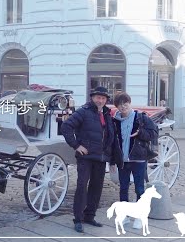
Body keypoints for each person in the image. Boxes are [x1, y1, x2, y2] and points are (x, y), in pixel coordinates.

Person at [61, 86, 115, 233]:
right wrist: (76, 145)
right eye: (98, 97)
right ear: (92, 97)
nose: (101, 100)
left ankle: (89, 216)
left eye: (103, 98)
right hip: (86, 156)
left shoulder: (107, 114)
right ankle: (78, 219)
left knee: (96, 188)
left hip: (101, 157)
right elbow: (66, 126)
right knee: (81, 187)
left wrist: (112, 158)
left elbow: (111, 137)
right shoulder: (83, 112)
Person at [109, 92, 158, 229]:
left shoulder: (140, 118)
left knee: (139, 188)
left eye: (126, 103)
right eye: (120, 104)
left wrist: (140, 133)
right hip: (123, 161)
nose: (123, 106)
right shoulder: (115, 121)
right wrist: (112, 161)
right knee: (123, 188)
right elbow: (113, 143)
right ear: (117, 106)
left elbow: (153, 133)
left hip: (138, 159)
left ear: (130, 103)